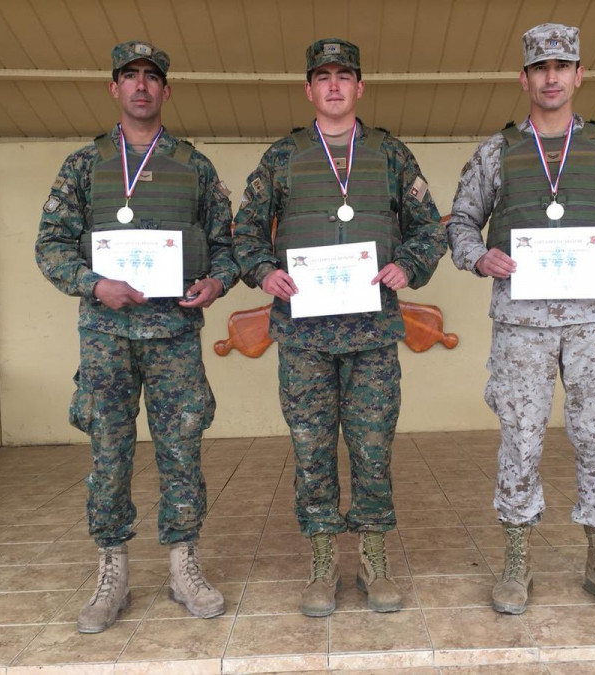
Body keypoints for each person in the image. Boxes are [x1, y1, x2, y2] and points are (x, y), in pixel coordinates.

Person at [447, 23, 595, 618]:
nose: (552, 77)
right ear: (525, 78)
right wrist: (477, 254)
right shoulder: (497, 152)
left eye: (563, 66)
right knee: (521, 439)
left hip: (593, 325)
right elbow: (460, 220)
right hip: (521, 327)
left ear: (579, 74)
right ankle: (517, 561)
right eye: (541, 68)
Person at [233, 38, 446, 617]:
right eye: (322, 76)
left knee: (372, 450)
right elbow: (244, 232)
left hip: (372, 336)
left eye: (343, 76)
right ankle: (323, 562)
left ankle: (374, 559)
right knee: (311, 451)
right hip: (303, 338)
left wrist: (410, 264)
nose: (333, 86)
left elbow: (431, 229)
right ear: (308, 89)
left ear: (360, 86)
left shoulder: (391, 155)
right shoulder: (282, 158)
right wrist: (264, 271)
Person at [35, 40, 239, 633]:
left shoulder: (194, 167)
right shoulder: (83, 165)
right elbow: (49, 246)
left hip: (174, 333)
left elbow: (226, 246)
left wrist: (219, 283)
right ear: (114, 88)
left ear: (166, 90)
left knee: (182, 448)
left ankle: (183, 565)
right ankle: (112, 572)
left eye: (152, 77)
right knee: (109, 453)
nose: (142, 86)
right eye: (130, 76)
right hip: (106, 337)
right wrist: (95, 285)